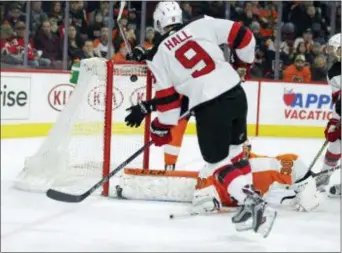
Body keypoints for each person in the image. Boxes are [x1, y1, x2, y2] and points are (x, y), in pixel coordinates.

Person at [125, 1, 276, 238]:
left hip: (210, 105)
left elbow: (169, 104)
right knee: (236, 152)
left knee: (216, 164)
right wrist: (241, 63)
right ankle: (246, 203)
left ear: (157, 23)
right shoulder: (202, 26)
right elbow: (244, 36)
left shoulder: (160, 55)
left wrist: (159, 129)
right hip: (236, 94)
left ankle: (253, 203)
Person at [120, 140, 321, 213]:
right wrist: (207, 201)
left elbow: (292, 162)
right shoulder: (212, 170)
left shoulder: (259, 165)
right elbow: (202, 198)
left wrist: (306, 187)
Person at [316, 33, 341, 197]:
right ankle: (323, 178)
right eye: (332, 49)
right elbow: (338, 100)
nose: (332, 52)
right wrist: (334, 121)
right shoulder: (333, 72)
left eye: (336, 49)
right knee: (335, 145)